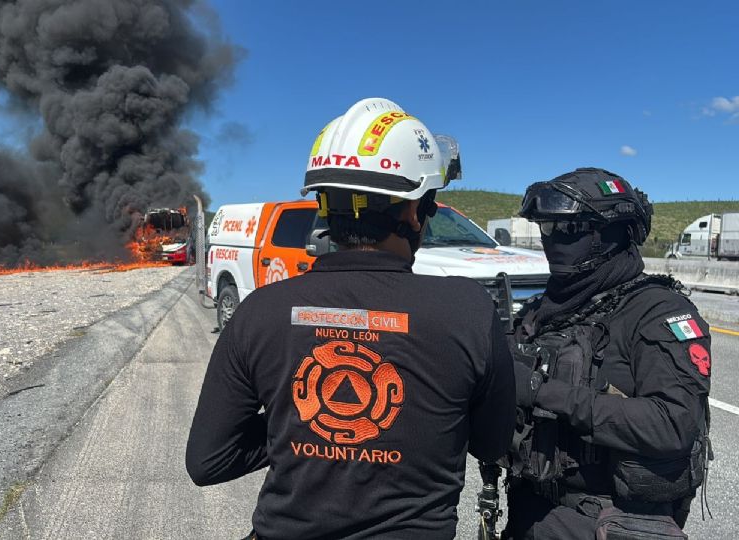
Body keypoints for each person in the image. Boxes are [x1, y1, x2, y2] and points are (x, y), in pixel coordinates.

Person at [185, 97, 516, 539]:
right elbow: (493, 445)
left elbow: (209, 461)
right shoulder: (467, 311)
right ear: (414, 211)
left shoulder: (260, 310)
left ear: (326, 207)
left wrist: (302, 421)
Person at [503, 168, 712, 539]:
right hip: (529, 513)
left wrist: (541, 391)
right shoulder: (543, 310)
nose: (552, 240)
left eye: (568, 229)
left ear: (614, 234)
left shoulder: (656, 311)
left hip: (610, 522)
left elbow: (672, 423)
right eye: (546, 228)